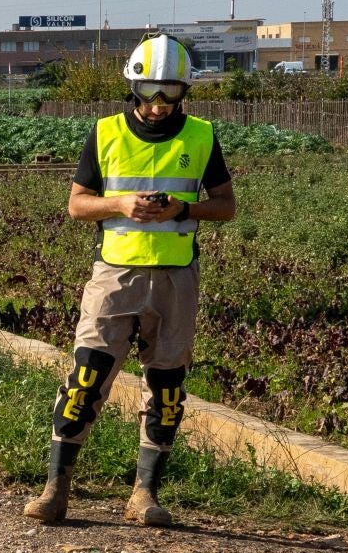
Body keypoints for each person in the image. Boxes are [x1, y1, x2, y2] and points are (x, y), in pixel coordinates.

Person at [23, 33, 237, 526]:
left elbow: (226, 206)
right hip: (115, 276)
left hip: (176, 280)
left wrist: (186, 208)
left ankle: (144, 494)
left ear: (185, 91)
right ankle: (56, 488)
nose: (159, 106)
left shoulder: (201, 137)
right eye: (149, 94)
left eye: (170, 94)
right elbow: (77, 204)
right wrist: (120, 204)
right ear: (132, 88)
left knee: (166, 388)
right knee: (86, 379)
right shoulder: (105, 134)